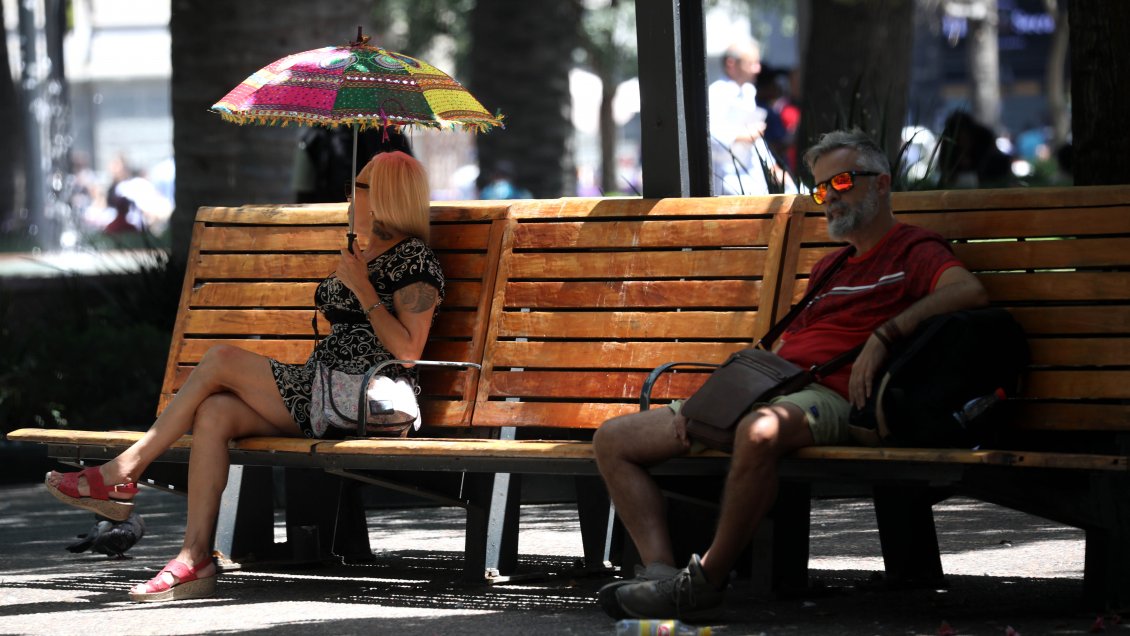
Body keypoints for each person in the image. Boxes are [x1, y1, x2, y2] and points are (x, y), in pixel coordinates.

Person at [593, 129, 989, 619]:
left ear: (882, 184)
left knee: (758, 433)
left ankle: (706, 580)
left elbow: (967, 291)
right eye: (821, 189)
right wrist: (718, 401)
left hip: (830, 394)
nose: (829, 197)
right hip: (775, 385)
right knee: (614, 439)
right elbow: (782, 348)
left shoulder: (914, 250)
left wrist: (885, 334)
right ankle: (660, 573)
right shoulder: (830, 267)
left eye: (842, 181)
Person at [43, 150, 444, 603]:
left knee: (219, 360)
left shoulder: (415, 261)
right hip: (323, 390)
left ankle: (123, 470)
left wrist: (363, 289)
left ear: (388, 196)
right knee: (215, 413)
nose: (350, 193)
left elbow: (409, 353)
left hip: (365, 399)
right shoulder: (362, 249)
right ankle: (194, 557)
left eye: (361, 187)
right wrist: (355, 273)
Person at [708, 39, 792, 195]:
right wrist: (741, 136)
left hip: (752, 181)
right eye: (751, 63)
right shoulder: (716, 93)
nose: (757, 69)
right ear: (731, 64)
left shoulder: (748, 92)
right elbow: (709, 136)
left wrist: (773, 167)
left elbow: (755, 140)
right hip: (727, 183)